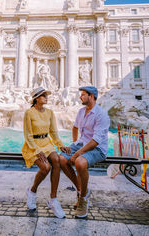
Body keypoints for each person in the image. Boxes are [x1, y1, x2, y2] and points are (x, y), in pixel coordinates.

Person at [60, 86, 110, 218]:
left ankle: (82, 198)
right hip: (82, 144)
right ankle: (82, 190)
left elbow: (95, 141)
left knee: (80, 162)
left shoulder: (101, 114)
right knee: (61, 159)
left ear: (91, 96)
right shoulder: (81, 111)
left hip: (97, 149)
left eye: (83, 95)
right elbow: (75, 127)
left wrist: (76, 154)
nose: (80, 97)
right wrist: (74, 144)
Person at [22, 86, 70, 218]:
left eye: (46, 95)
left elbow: (54, 133)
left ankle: (53, 200)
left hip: (47, 143)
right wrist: (37, 150)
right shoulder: (29, 113)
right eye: (43, 95)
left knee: (57, 160)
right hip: (33, 145)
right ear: (36, 98)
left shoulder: (50, 112)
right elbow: (27, 134)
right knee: (45, 167)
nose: (46, 97)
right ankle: (32, 191)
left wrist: (60, 145)